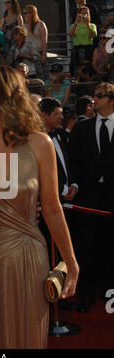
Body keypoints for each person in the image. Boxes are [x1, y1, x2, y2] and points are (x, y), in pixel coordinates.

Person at [0, 63, 79, 349]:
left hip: (26, 261)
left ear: (5, 92)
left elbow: (51, 208)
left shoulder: (39, 144)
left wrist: (71, 263)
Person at [69, 82, 114, 313]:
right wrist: (75, 184)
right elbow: (73, 162)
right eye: (94, 95)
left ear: (112, 100)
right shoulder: (81, 128)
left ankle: (109, 292)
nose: (94, 99)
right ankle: (86, 294)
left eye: (100, 95)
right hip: (87, 200)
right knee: (87, 247)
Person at [69, 6, 97, 76]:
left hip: (88, 49)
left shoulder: (92, 25)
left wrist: (87, 24)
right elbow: (71, 34)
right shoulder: (73, 25)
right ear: (79, 14)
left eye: (86, 13)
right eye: (83, 13)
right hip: (78, 49)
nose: (85, 15)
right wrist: (76, 23)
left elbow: (93, 36)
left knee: (89, 69)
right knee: (77, 69)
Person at [23, 5, 48, 80]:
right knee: (29, 77)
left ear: (32, 13)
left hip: (39, 53)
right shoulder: (24, 26)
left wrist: (44, 54)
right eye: (24, 13)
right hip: (28, 55)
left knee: (41, 76)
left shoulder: (40, 24)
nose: (24, 15)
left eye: (26, 13)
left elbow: (44, 40)